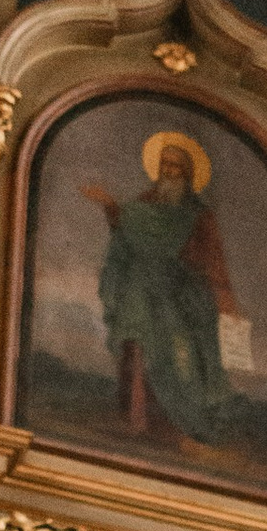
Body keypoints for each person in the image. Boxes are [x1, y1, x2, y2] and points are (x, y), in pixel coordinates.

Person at [82, 131, 238, 451]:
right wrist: (111, 207)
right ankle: (137, 420)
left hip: (180, 299)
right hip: (141, 295)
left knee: (179, 359)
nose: (169, 172)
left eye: (176, 167)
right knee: (137, 351)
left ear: (189, 175)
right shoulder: (142, 205)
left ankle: (174, 425)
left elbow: (211, 259)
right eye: (164, 165)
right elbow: (128, 230)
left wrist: (218, 294)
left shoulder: (199, 216)